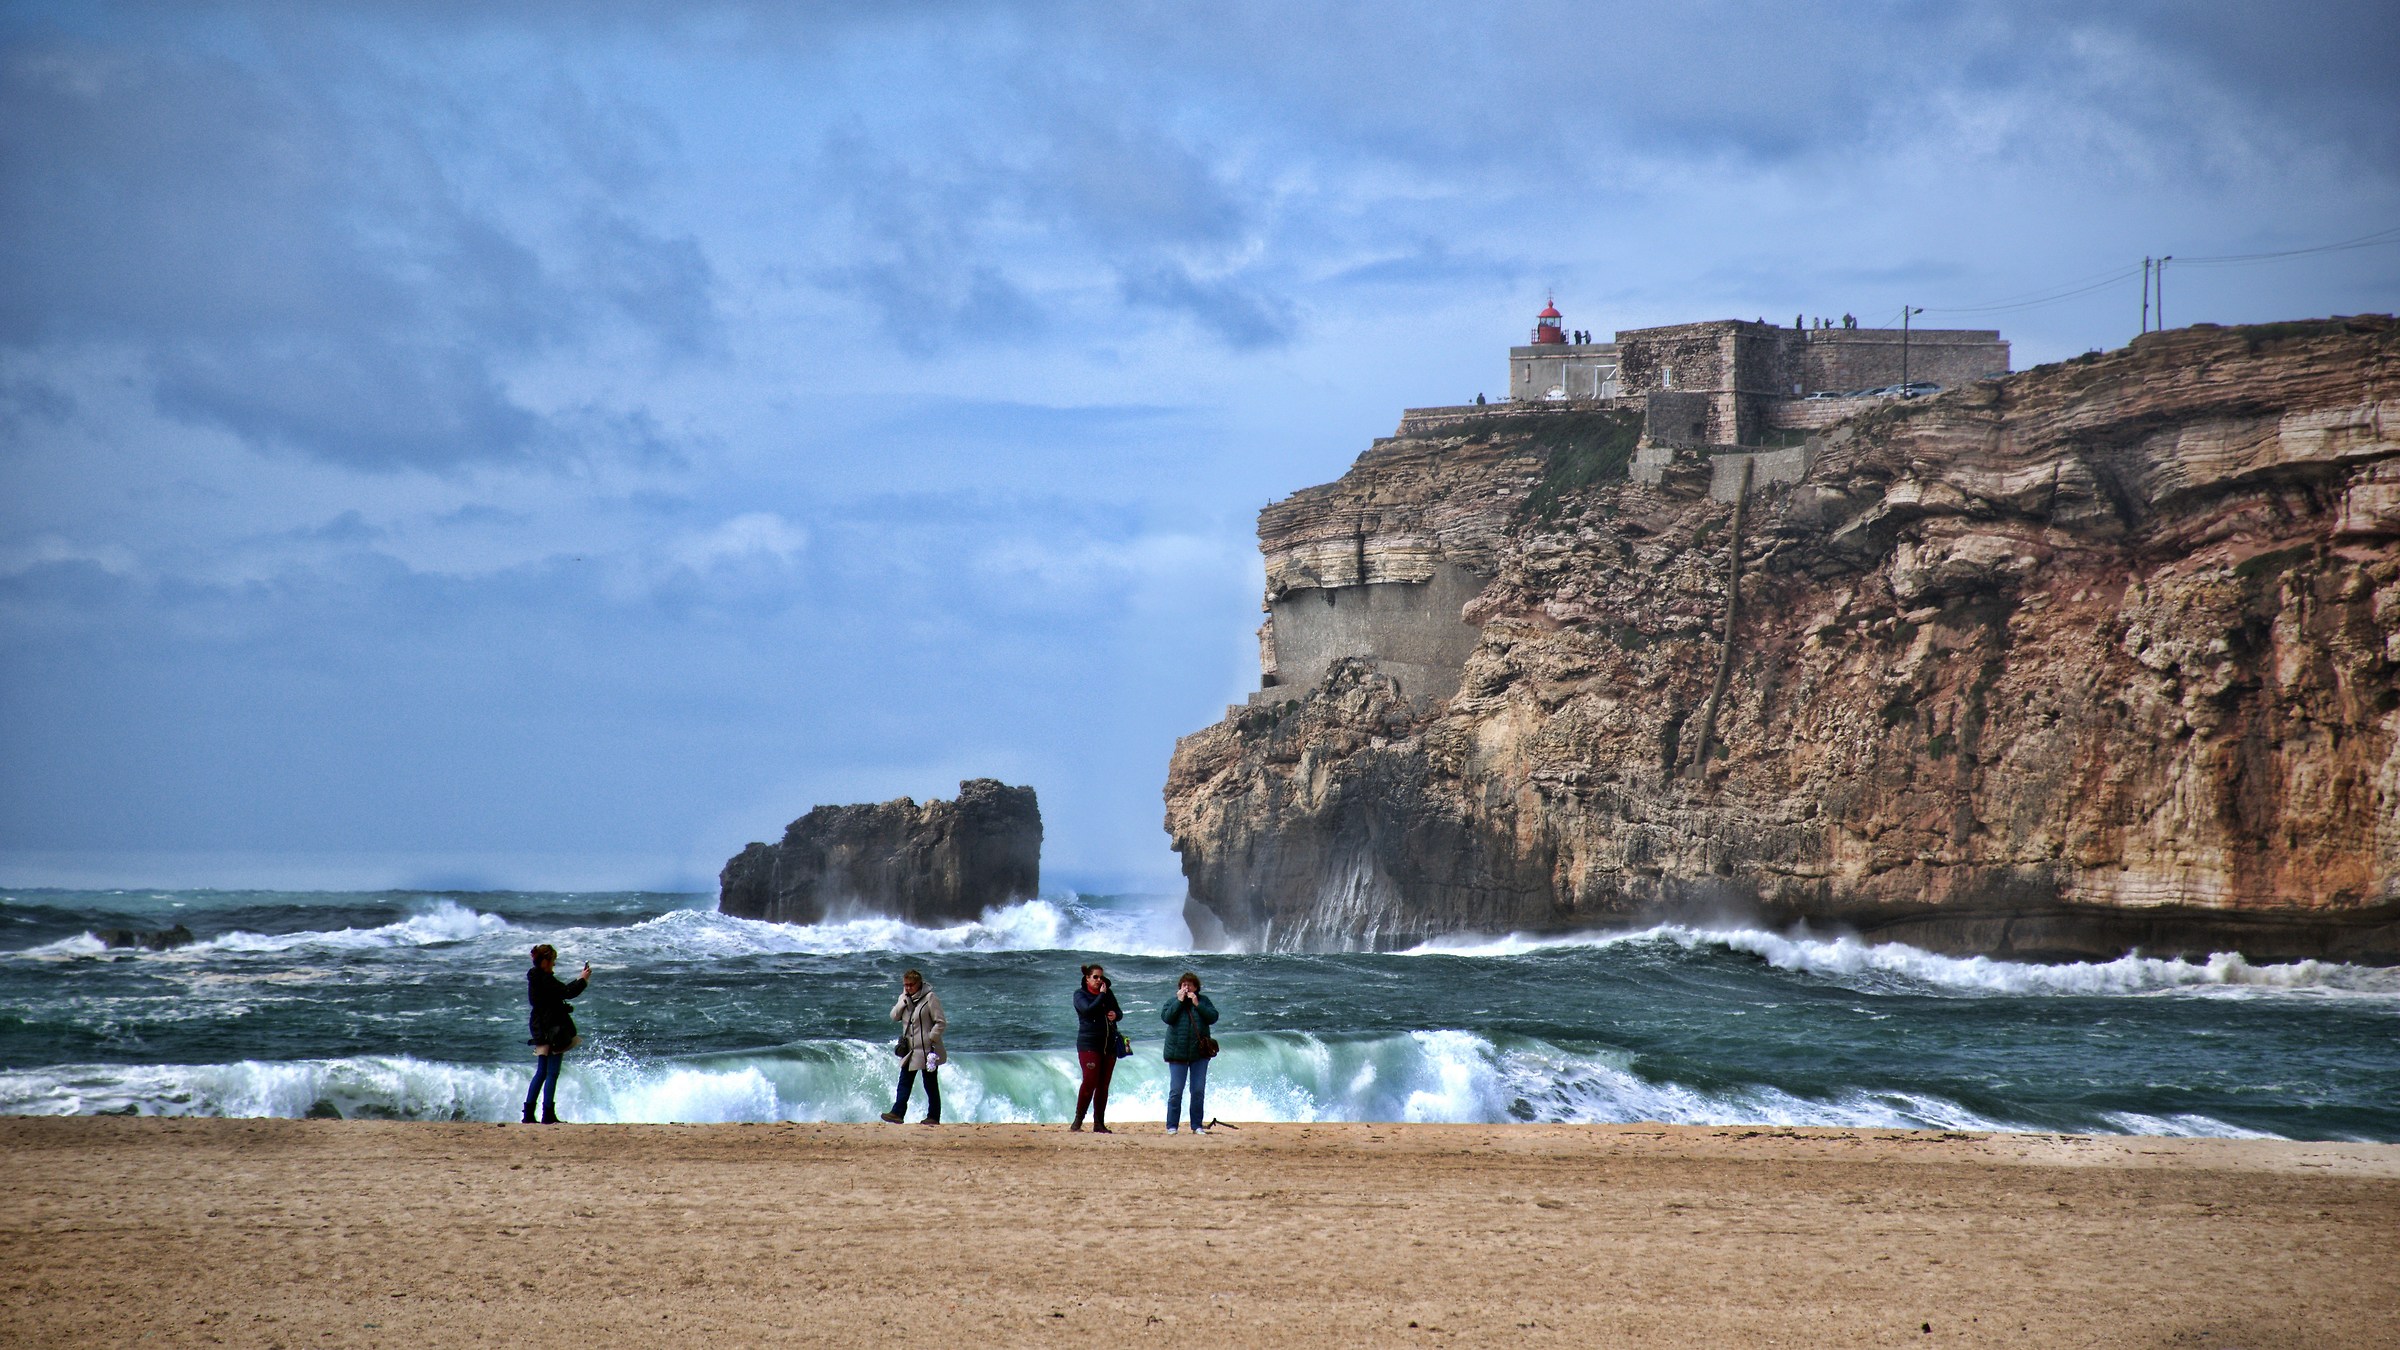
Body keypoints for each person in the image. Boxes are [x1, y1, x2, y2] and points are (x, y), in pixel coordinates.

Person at [523, 944, 589, 1124]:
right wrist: (583, 979)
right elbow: (567, 992)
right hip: (553, 1028)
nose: (554, 965)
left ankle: (528, 1114)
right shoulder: (546, 980)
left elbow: (555, 995)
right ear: (545, 962)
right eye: (552, 961)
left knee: (541, 1072)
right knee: (552, 1073)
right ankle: (548, 1114)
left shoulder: (535, 978)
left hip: (539, 1026)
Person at [881, 969, 945, 1125]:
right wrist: (903, 1000)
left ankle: (933, 1117)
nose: (908, 988)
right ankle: (897, 1113)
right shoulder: (904, 998)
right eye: (905, 985)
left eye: (911, 985)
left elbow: (941, 1022)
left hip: (928, 1051)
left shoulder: (930, 998)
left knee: (930, 1085)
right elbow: (894, 1016)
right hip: (910, 1050)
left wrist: (931, 1037)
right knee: (904, 1082)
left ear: (919, 984)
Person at [1159, 971, 1219, 1135]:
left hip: (1199, 1054)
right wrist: (1179, 1001)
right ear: (1179, 987)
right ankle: (1172, 1126)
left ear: (1196, 987)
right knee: (1176, 1091)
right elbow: (1167, 1017)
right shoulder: (1173, 1002)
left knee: (1198, 1090)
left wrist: (1197, 1003)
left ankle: (1197, 1125)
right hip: (1177, 1054)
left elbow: (1213, 1017)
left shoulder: (1203, 1001)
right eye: (1184, 985)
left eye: (1190, 985)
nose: (1187, 988)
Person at [1071, 963, 1123, 1133]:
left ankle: (1099, 1123)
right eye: (1095, 977)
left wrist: (1115, 1015)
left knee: (1103, 1085)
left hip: (1109, 1044)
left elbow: (1119, 1012)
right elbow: (1088, 1010)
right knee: (1090, 1081)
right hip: (1089, 1044)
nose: (1099, 980)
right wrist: (1101, 995)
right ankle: (1078, 1121)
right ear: (1087, 978)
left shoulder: (1108, 993)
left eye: (1101, 977)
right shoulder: (1080, 995)